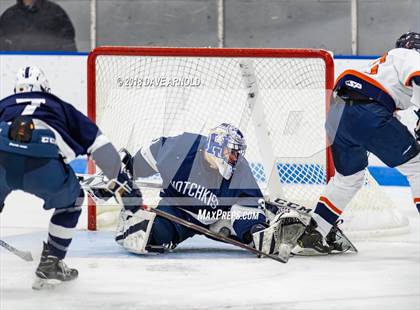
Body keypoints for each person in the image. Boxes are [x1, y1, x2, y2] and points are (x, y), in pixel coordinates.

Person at [0, 66, 141, 289]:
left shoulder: (4, 104)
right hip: (42, 164)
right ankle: (52, 262)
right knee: (72, 201)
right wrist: (122, 181)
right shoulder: (58, 106)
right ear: (45, 89)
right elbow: (98, 144)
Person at [296, 32, 420, 255]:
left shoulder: (384, 66)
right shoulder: (407, 54)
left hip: (338, 116)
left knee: (347, 179)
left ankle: (314, 234)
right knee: (418, 168)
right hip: (368, 113)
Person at [114, 123, 280, 255]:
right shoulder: (182, 148)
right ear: (217, 147)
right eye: (232, 152)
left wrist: (255, 228)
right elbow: (150, 155)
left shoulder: (240, 168)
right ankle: (132, 224)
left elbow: (247, 203)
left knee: (255, 235)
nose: (235, 158)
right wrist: (125, 171)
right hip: (177, 211)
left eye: (237, 153)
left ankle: (274, 219)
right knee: (148, 237)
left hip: (220, 217)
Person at [0, 0, 77, 51]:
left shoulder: (55, 13)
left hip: (51, 69)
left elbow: (68, 46)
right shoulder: (8, 16)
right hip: (16, 70)